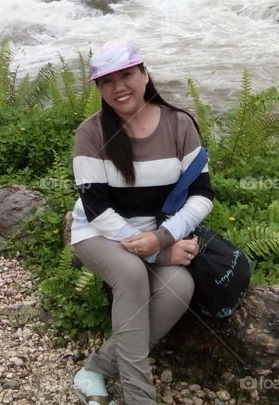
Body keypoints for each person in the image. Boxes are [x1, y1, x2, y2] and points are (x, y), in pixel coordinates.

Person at [70, 41, 214, 405]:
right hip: (98, 231)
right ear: (99, 89)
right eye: (107, 81)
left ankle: (96, 369)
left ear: (144, 74)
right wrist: (155, 253)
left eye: (127, 75)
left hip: (155, 233)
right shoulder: (91, 133)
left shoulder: (180, 124)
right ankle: (139, 397)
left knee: (179, 287)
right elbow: (96, 208)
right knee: (132, 274)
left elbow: (202, 194)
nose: (118, 86)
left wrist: (163, 238)